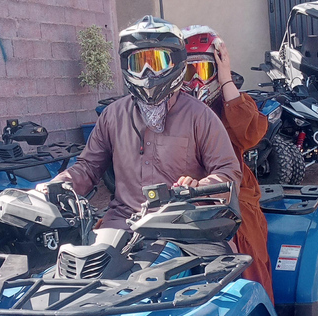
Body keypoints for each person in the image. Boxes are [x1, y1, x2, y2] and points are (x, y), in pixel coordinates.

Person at [38, 16, 241, 245]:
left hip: (185, 225)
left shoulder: (200, 116)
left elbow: (228, 173)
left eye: (158, 62)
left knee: (224, 273)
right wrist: (56, 186)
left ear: (176, 63)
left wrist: (199, 187)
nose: (147, 73)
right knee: (78, 272)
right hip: (121, 225)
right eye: (139, 63)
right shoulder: (113, 116)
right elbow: (88, 168)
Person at [180, 25, 274, 300]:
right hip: (176, 196)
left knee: (246, 249)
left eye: (205, 70)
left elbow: (251, 133)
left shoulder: (226, 105)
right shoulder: (168, 108)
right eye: (188, 71)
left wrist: (225, 79)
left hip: (230, 196)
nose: (197, 80)